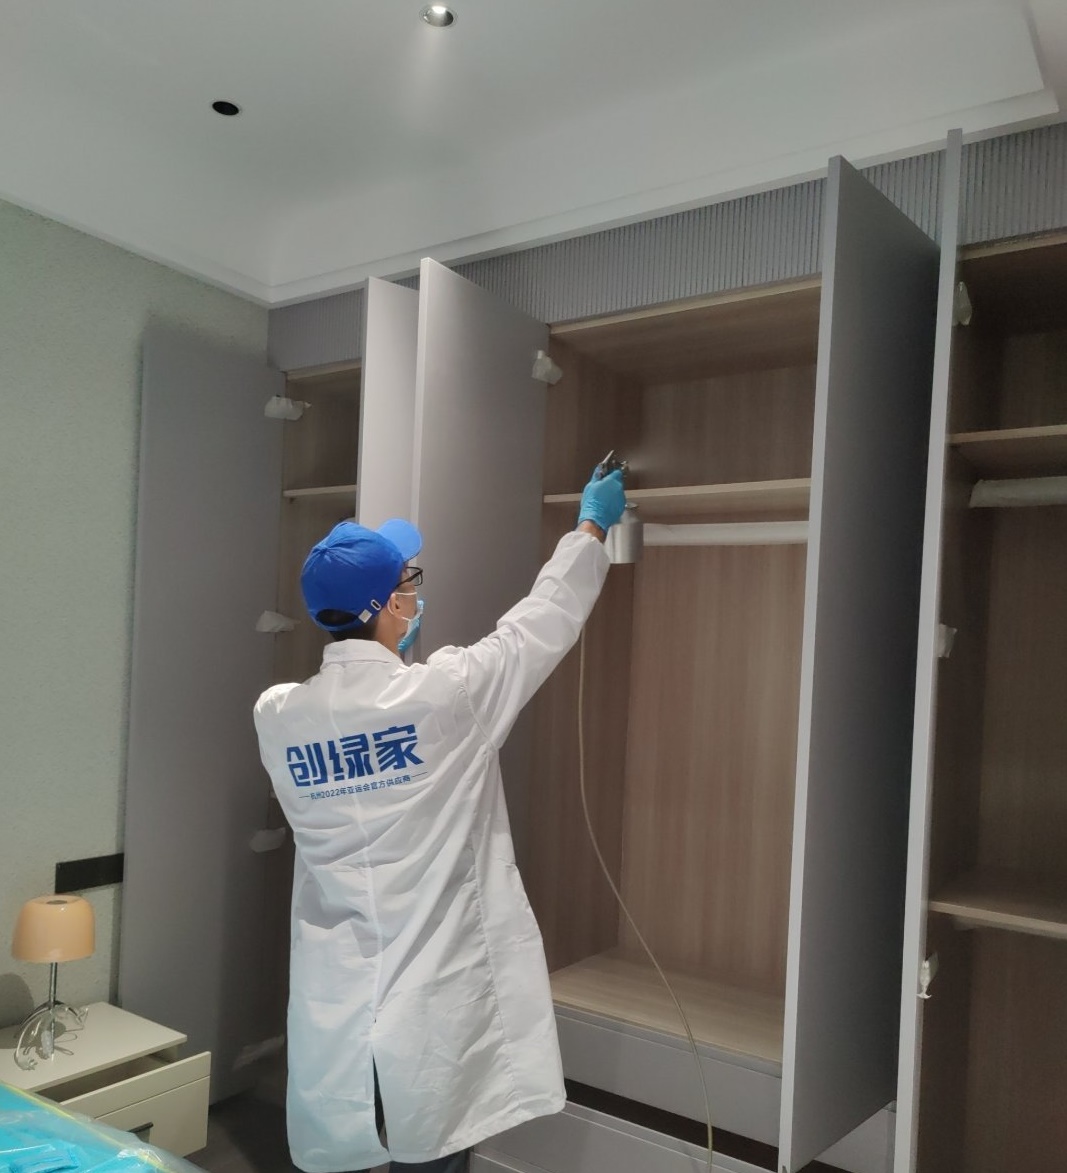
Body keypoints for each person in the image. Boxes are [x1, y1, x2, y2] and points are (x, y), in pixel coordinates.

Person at [253, 465, 627, 1173]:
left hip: (341, 994)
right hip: (432, 995)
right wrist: (590, 527)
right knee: (432, 1154)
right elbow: (540, 623)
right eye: (409, 583)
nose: (416, 594)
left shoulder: (277, 715)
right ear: (391, 605)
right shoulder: (448, 692)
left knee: (366, 1142)